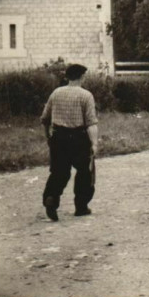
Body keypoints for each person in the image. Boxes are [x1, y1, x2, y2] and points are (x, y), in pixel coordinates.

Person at [41, 63, 99, 221]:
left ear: (67, 77)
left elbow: (45, 119)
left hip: (58, 137)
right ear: (81, 77)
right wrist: (94, 143)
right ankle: (81, 206)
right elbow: (91, 123)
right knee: (84, 172)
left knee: (59, 171)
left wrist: (48, 137)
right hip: (79, 138)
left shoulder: (56, 93)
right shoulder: (86, 95)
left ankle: (51, 198)